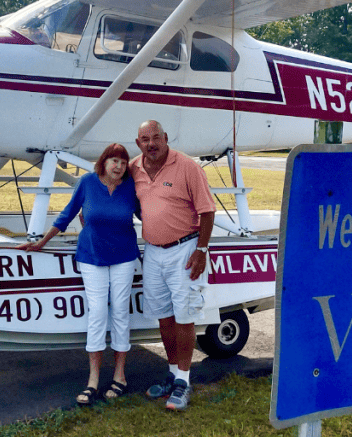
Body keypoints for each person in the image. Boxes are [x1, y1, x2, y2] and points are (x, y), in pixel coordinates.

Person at [18, 143, 140, 405]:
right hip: (92, 256)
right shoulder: (87, 182)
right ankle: (93, 380)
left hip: (124, 257)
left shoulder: (131, 187)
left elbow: (149, 215)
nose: (118, 166)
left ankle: (120, 375)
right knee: (97, 312)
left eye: (122, 162)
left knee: (119, 311)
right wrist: (41, 242)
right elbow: (66, 215)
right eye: (113, 161)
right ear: (103, 162)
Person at [130, 120, 216, 411]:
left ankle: (184, 381)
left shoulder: (187, 166)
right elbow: (113, 189)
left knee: (184, 316)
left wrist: (202, 249)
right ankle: (171, 374)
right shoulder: (134, 167)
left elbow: (207, 210)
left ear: (166, 138)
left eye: (156, 137)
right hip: (153, 251)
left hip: (185, 249)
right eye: (145, 139)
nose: (151, 143)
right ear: (138, 142)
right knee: (164, 316)